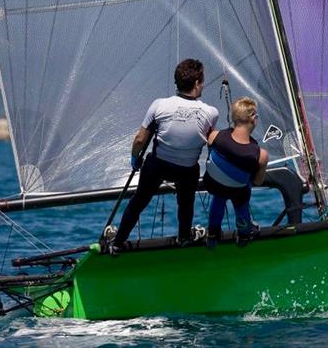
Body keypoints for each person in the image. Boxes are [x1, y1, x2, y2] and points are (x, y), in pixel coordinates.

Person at [110, 59, 218, 254]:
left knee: (139, 200)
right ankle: (184, 237)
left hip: (158, 165)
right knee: (186, 203)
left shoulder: (159, 105)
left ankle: (118, 242)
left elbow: (140, 140)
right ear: (196, 84)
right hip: (187, 170)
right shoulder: (211, 113)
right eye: (202, 81)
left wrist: (135, 158)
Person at [203, 97, 268, 249]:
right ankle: (244, 235)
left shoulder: (214, 136)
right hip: (238, 191)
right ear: (252, 118)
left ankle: (213, 234)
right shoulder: (260, 154)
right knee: (242, 195)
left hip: (212, 184)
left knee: (220, 194)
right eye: (256, 116)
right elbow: (258, 182)